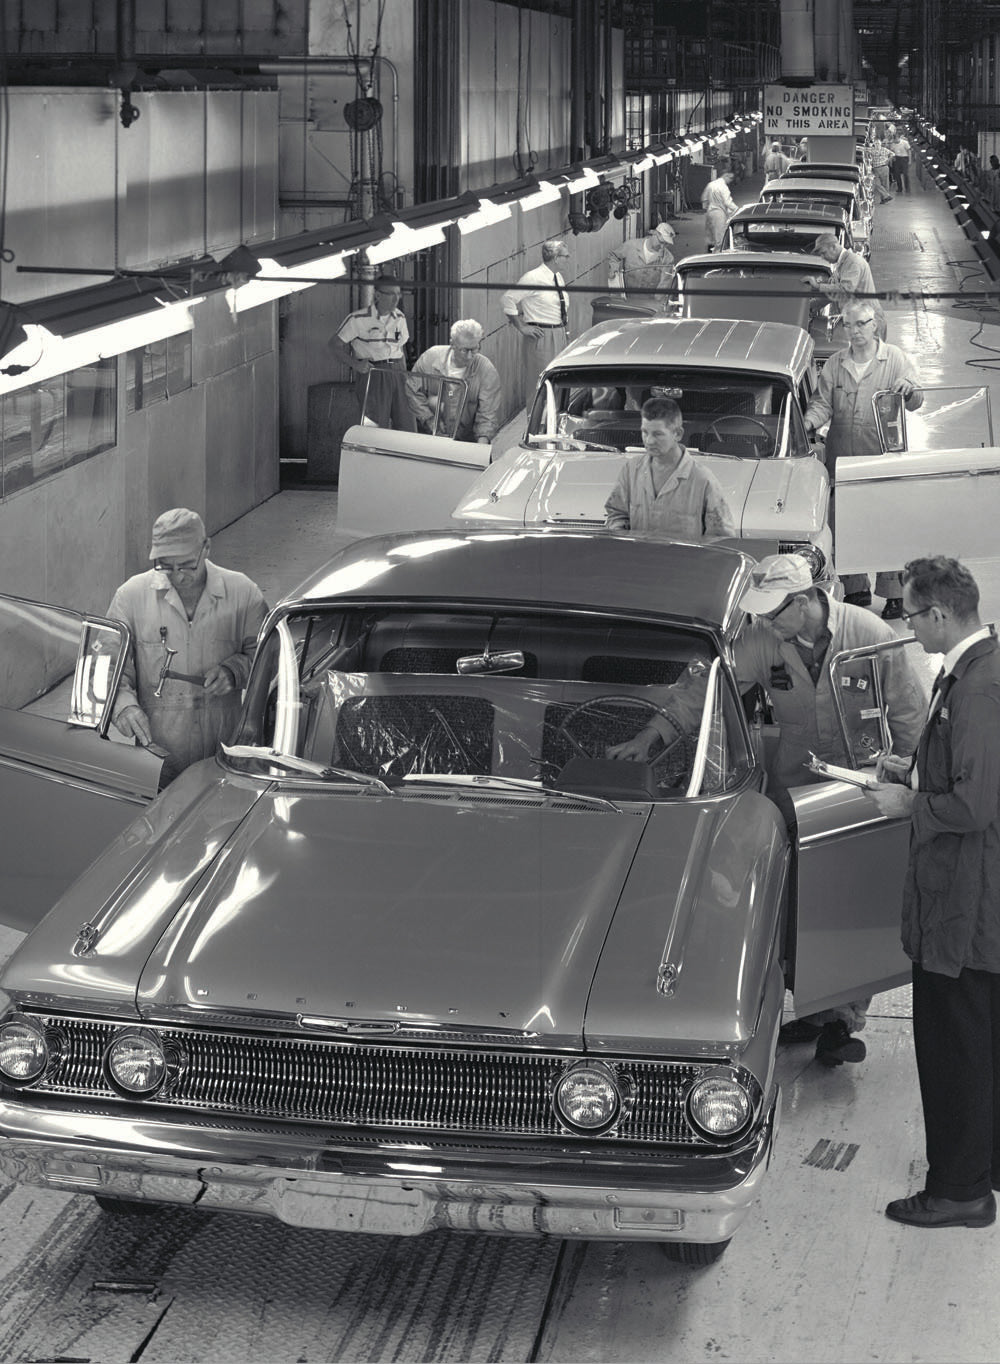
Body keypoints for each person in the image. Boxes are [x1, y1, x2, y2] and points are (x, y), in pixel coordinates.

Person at [609, 552, 925, 1066]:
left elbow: (909, 709)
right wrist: (651, 736)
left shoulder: (867, 632)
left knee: (854, 898)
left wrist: (911, 777)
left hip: (863, 784)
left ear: (804, 602)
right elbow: (705, 690)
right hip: (797, 783)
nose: (768, 624)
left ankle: (843, 1018)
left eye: (776, 613)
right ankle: (814, 1003)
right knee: (794, 899)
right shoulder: (764, 640)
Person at [868, 557, 1000, 1229]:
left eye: (912, 613)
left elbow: (974, 806)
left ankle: (958, 1190)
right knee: (977, 1041)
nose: (907, 624)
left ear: (940, 615)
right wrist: (914, 770)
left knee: (953, 1050)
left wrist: (906, 803)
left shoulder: (977, 687)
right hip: (968, 898)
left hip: (962, 905)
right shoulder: (976, 672)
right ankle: (981, 1165)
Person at [108, 508, 269, 786]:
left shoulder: (243, 593)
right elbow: (105, 668)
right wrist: (122, 706)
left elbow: (270, 660)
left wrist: (235, 671)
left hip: (226, 757)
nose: (177, 576)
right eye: (165, 566)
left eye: (186, 565)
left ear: (206, 547)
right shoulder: (130, 597)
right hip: (158, 761)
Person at [804, 297, 923, 618]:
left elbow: (916, 401)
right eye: (848, 324)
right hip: (842, 459)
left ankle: (895, 592)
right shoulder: (835, 364)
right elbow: (822, 404)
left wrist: (909, 388)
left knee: (887, 524)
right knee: (845, 524)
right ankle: (856, 587)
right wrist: (806, 423)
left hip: (883, 460)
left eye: (861, 324)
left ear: (875, 325)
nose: (854, 331)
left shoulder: (895, 359)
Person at [603, 395, 737, 539]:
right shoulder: (630, 471)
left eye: (658, 434)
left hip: (685, 560)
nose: (649, 441)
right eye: (644, 432)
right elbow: (616, 514)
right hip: (637, 559)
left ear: (678, 434)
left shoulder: (702, 480)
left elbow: (721, 537)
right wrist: (620, 535)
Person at [329, 274, 416, 430]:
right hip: (373, 373)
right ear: (377, 295)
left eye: (398, 294)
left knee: (408, 423)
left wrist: (405, 376)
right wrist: (355, 364)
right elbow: (334, 345)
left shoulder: (400, 317)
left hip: (398, 372)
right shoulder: (358, 319)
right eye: (391, 294)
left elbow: (400, 349)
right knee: (374, 426)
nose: (396, 299)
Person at [501, 239, 572, 409]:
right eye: (566, 256)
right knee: (540, 383)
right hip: (542, 335)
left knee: (559, 381)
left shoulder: (557, 277)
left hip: (558, 332)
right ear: (556, 258)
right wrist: (522, 327)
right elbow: (507, 300)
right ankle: (535, 427)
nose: (568, 259)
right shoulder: (533, 278)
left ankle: (554, 423)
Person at [405, 320, 502, 444]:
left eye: (474, 349)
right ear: (452, 345)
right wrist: (430, 421)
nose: (469, 356)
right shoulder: (429, 359)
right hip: (431, 439)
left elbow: (488, 415)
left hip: (469, 441)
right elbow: (413, 391)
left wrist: (481, 446)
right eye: (464, 350)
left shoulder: (486, 370)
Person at [802, 232, 877, 309]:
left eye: (824, 253)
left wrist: (818, 286)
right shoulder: (842, 264)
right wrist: (808, 306)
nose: (822, 257)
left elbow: (845, 291)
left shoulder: (852, 262)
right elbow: (832, 294)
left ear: (834, 247)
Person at [607, 223, 676, 299]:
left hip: (648, 303)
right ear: (654, 234)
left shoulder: (668, 259)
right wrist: (613, 269)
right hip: (627, 298)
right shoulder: (631, 245)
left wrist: (656, 304)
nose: (662, 247)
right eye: (661, 242)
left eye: (666, 244)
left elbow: (664, 286)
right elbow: (614, 256)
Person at [701, 170, 738, 252]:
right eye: (730, 178)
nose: (731, 180)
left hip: (709, 212)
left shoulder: (711, 184)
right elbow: (728, 202)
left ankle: (709, 253)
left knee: (710, 236)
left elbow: (704, 199)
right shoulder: (723, 187)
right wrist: (737, 209)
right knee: (720, 238)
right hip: (719, 214)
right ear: (725, 175)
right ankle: (717, 256)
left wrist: (707, 208)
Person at [868, 138, 895, 204]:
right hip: (875, 169)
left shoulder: (884, 150)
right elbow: (863, 149)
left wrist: (888, 160)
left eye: (878, 143)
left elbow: (893, 154)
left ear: (880, 144)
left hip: (884, 167)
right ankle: (887, 196)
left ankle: (884, 199)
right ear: (874, 144)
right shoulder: (871, 150)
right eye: (876, 143)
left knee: (885, 184)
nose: (877, 144)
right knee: (876, 183)